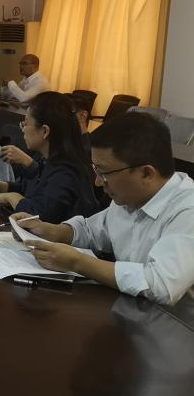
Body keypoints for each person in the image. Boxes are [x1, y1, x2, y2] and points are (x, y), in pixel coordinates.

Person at [15, 112, 194, 305]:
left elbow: (160, 284)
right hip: (131, 308)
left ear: (146, 174)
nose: (98, 182)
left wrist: (78, 262)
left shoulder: (187, 210)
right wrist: (49, 230)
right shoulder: (130, 196)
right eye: (96, 170)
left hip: (172, 320)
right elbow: (91, 231)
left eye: (104, 173)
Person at [0, 92, 100, 223]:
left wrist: (11, 197)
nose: (23, 129)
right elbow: (24, 188)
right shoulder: (50, 159)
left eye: (25, 123)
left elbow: (40, 215)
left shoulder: (66, 170)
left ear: (45, 131)